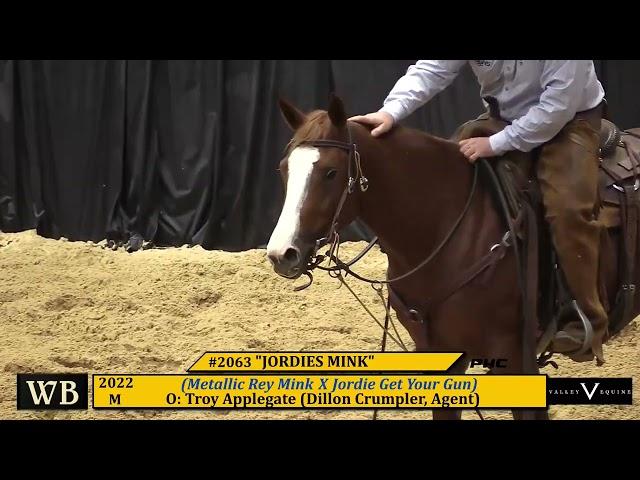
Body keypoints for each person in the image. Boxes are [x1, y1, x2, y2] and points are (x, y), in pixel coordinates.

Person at [350, 60, 608, 363]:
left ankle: (585, 315)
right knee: (447, 177)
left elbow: (557, 107)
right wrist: (390, 111)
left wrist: (497, 143)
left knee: (567, 208)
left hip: (569, 121)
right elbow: (433, 69)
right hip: (503, 117)